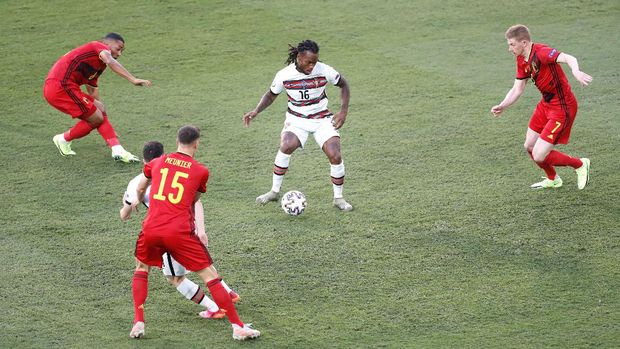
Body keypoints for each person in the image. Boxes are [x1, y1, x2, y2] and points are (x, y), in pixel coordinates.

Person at [128, 126, 260, 340]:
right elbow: (194, 199)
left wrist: (140, 197)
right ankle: (238, 327)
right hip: (179, 231)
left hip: (151, 227)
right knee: (210, 276)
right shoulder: (200, 170)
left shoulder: (156, 163)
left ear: (176, 141)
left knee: (141, 269)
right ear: (197, 144)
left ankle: (138, 322)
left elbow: (142, 187)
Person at [120, 141, 239, 321]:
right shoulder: (179, 170)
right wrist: (201, 230)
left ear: (145, 162)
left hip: (164, 232)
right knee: (204, 266)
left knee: (175, 278)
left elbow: (124, 215)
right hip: (186, 227)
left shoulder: (137, 182)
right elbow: (196, 201)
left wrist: (130, 204)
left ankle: (214, 308)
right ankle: (228, 293)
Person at [243, 40, 353, 211]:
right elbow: (271, 95)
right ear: (299, 57)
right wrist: (256, 111)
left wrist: (343, 111)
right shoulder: (284, 75)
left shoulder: (324, 70)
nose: (312, 66)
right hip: (296, 119)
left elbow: (343, 84)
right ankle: (274, 192)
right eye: (308, 62)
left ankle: (338, 198)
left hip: (322, 119)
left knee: (335, 155)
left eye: (314, 62)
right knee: (286, 145)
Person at [491, 25, 591, 190]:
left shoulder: (542, 53)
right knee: (529, 146)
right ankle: (553, 179)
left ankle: (580, 164)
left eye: (511, 44)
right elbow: (518, 89)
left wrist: (576, 71)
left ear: (524, 42)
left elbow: (568, 57)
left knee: (539, 154)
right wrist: (503, 105)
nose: (509, 48)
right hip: (546, 104)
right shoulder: (521, 59)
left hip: (562, 107)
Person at [44, 32, 152, 163]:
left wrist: (106, 125)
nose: (119, 54)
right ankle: (115, 148)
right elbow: (109, 59)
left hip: (65, 88)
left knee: (100, 110)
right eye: (118, 48)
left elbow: (92, 90)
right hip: (61, 87)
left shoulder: (99, 65)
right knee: (96, 118)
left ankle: (115, 148)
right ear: (107, 44)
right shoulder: (98, 46)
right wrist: (133, 79)